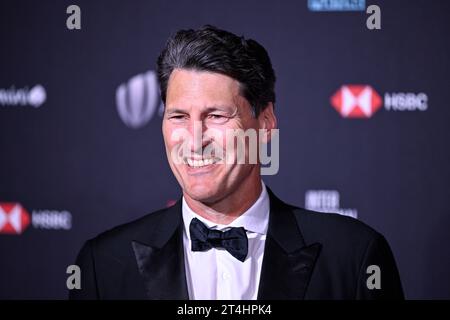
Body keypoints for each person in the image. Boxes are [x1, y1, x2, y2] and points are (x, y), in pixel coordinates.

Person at [69, 25, 403, 300]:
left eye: (216, 115)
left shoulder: (353, 258)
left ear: (266, 122)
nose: (195, 139)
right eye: (179, 116)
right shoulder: (104, 266)